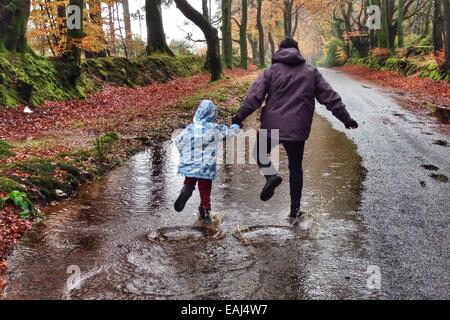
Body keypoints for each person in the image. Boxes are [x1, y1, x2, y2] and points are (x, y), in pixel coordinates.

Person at [232, 37, 359, 221]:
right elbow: (329, 97)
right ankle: (295, 211)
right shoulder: (311, 72)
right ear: (298, 50)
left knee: (259, 152)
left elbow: (254, 97)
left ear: (279, 49)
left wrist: (239, 117)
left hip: (272, 127)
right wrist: (345, 118)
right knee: (295, 168)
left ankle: (271, 176)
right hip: (297, 131)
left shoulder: (271, 71)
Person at [174, 100, 241, 223]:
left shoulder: (190, 128)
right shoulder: (215, 128)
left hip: (190, 165)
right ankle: (205, 212)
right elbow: (231, 133)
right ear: (212, 114)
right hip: (205, 167)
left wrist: (185, 154)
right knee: (205, 190)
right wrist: (236, 125)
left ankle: (186, 191)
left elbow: (178, 141)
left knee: (189, 181)